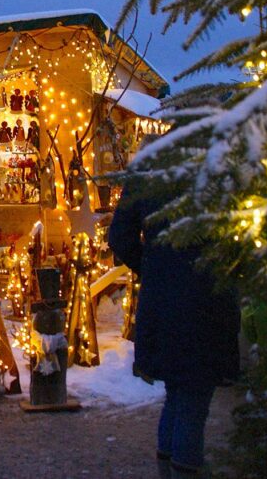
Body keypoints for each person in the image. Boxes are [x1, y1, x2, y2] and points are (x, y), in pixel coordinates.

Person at [108, 154, 240, 478]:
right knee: (193, 396)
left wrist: (152, 266)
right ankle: (185, 467)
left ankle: (169, 465)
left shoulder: (148, 168)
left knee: (179, 393)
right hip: (208, 298)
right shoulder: (220, 164)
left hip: (164, 301)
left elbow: (120, 238)